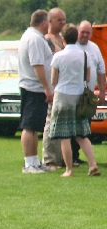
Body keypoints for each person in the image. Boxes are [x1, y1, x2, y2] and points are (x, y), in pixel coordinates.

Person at [48, 24, 99, 176]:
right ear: (76, 37)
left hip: (63, 96)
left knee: (65, 135)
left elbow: (53, 80)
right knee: (81, 134)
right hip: (79, 97)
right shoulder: (85, 55)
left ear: (63, 39)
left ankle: (69, 169)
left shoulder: (58, 56)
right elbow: (88, 77)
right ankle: (93, 165)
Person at [18, 10, 54, 174]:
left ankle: (34, 161)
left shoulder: (34, 37)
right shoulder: (34, 39)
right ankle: (29, 163)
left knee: (34, 126)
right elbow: (37, 65)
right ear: (44, 23)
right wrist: (47, 87)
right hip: (33, 87)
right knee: (29, 126)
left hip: (34, 87)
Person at [71, 21, 106, 165]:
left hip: (88, 94)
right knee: (71, 126)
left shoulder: (94, 47)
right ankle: (70, 156)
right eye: (82, 32)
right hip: (72, 93)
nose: (85, 35)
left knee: (85, 125)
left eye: (87, 32)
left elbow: (101, 71)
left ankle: (76, 155)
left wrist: (102, 91)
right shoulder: (71, 46)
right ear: (77, 31)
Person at [42, 7, 66, 168]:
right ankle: (49, 158)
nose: (63, 23)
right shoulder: (47, 40)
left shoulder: (62, 38)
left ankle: (62, 157)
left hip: (64, 89)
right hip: (54, 87)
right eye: (60, 20)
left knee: (62, 125)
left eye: (64, 20)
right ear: (50, 21)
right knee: (50, 123)